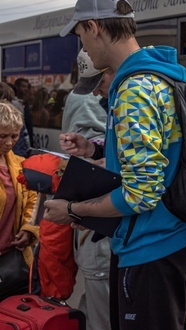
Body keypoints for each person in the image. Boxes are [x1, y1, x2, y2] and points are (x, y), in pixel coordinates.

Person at [43, 0, 186, 330]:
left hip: (149, 246)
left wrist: (72, 210)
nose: (83, 46)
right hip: (171, 237)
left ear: (95, 27)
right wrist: (98, 150)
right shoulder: (158, 77)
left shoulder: (134, 90)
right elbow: (157, 154)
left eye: (81, 35)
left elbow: (140, 194)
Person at [61, 49, 111, 330]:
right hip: (98, 226)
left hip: (93, 224)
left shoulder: (78, 98)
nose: (98, 95)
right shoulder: (88, 99)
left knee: (94, 308)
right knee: (100, 307)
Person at [0, 101, 39, 298]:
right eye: (3, 136)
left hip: (12, 258)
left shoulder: (21, 165)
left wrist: (28, 230)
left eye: (14, 136)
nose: (9, 143)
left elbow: (32, 201)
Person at [13, 78, 34, 147]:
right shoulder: (14, 104)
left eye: (27, 87)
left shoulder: (26, 103)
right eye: (23, 86)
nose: (26, 89)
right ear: (17, 87)